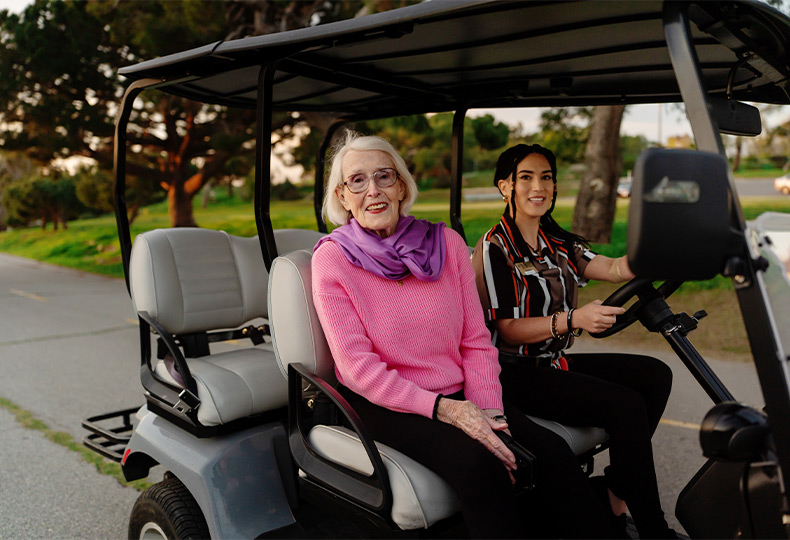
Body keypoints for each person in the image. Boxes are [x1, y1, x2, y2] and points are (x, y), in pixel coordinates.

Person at [312, 131, 615, 538]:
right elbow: (357, 370)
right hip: (386, 401)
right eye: (357, 181)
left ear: (401, 185)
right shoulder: (333, 259)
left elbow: (475, 340)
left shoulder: (446, 244)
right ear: (343, 196)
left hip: (461, 392)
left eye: (384, 176)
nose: (373, 190)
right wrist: (448, 411)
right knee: (479, 465)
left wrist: (489, 411)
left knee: (551, 455)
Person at [472, 143, 676, 539]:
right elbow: (507, 328)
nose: (539, 186)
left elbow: (616, 268)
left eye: (546, 177)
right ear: (505, 187)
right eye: (526, 177)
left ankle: (616, 489)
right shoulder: (494, 248)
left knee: (655, 375)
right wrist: (572, 320)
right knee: (626, 406)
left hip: (552, 365)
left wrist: (659, 248)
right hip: (513, 374)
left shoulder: (557, 243)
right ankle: (654, 530)